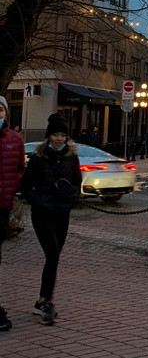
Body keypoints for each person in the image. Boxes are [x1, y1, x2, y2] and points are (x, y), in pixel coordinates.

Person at [20, 114, 81, 326]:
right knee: (52, 254)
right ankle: (44, 301)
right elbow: (26, 187)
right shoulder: (38, 158)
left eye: (63, 135)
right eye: (55, 134)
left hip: (62, 214)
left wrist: (72, 200)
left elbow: (76, 183)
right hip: (42, 214)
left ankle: (44, 300)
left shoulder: (71, 158)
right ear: (48, 136)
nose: (59, 138)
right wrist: (38, 202)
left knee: (54, 258)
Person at [0, 96, 24, 331]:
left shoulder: (15, 139)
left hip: (2, 207)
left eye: (0, 110)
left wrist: (12, 189)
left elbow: (20, 170)